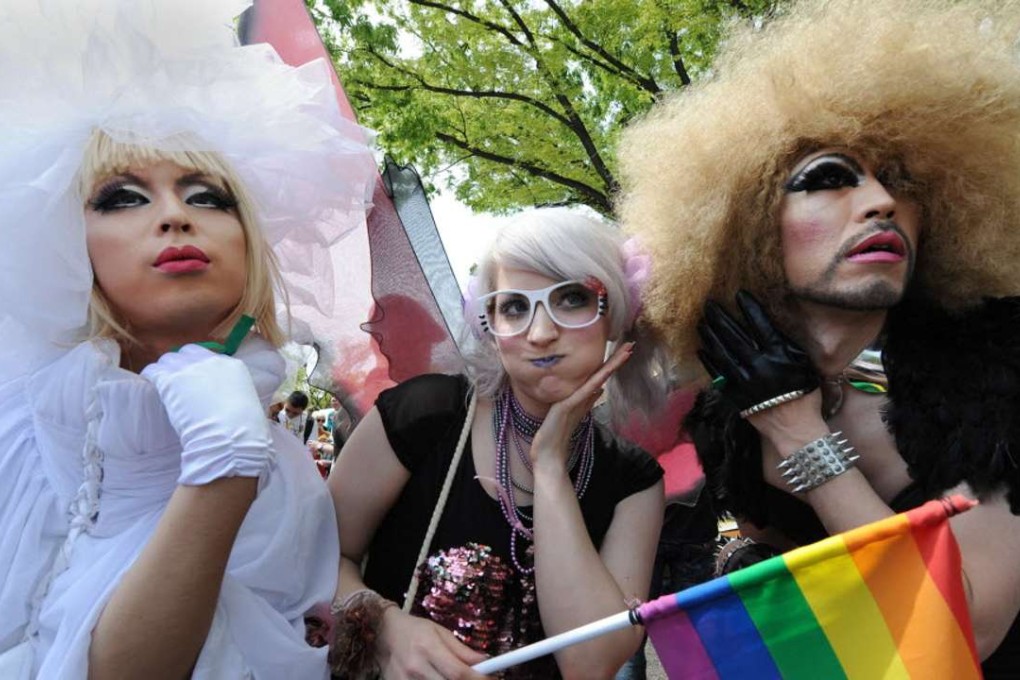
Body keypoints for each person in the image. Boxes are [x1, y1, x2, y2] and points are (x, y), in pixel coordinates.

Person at [617, 0, 1020, 675]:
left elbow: (962, 629)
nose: (881, 201)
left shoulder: (998, 365)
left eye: (899, 181)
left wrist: (800, 434)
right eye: (829, 179)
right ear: (746, 224)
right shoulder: (729, 420)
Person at [0, 1, 375, 677]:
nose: (175, 215)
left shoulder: (288, 471)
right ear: (64, 240)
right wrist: (222, 466)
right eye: (122, 197)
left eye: (208, 197)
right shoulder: (19, 437)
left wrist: (385, 625)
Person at [328, 209, 670, 679]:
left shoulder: (633, 480)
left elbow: (590, 662)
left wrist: (549, 463)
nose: (541, 333)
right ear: (488, 325)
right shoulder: (424, 415)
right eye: (513, 307)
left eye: (572, 298)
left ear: (617, 314)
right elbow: (319, 557)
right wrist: (384, 626)